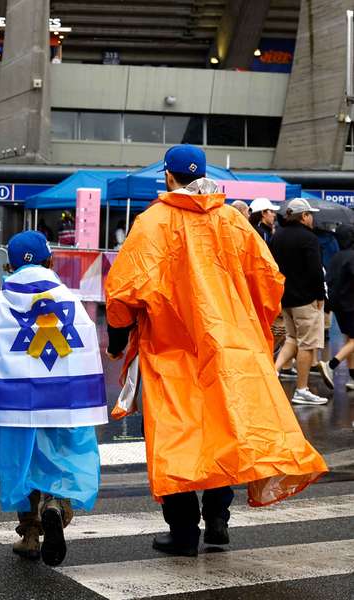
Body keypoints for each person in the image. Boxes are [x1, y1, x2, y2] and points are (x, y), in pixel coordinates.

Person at [105, 144, 327, 558]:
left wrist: (118, 341)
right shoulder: (234, 222)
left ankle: (184, 530)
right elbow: (268, 282)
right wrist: (255, 330)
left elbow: (123, 292)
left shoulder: (152, 224)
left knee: (179, 437)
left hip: (170, 350)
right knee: (224, 430)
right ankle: (219, 521)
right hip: (230, 348)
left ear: (168, 177)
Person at [0, 231, 106, 566]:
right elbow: (86, 350)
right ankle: (56, 504)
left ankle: (29, 534)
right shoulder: (68, 299)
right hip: (63, 399)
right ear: (50, 260)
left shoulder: (5, 300)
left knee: (22, 462)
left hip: (16, 402)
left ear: (10, 265)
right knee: (60, 458)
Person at [270, 198, 330, 405]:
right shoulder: (309, 238)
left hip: (285, 298)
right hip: (307, 300)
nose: (312, 218)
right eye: (310, 214)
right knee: (307, 344)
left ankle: (273, 372)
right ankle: (302, 390)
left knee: (292, 338)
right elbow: (315, 271)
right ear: (303, 216)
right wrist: (320, 297)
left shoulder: (277, 237)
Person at [320, 223, 354, 390]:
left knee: (350, 339)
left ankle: (352, 378)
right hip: (351, 304)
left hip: (338, 306)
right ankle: (331, 364)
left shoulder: (336, 257)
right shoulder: (352, 256)